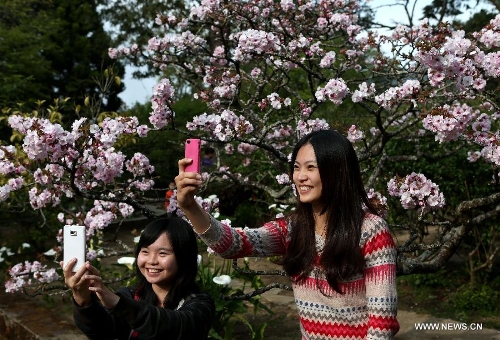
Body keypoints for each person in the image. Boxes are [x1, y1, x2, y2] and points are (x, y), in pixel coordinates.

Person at [175, 129, 399, 340]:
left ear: (338, 171)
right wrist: (190, 207)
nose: (300, 176)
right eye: (296, 167)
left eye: (311, 167)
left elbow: (382, 323)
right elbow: (233, 245)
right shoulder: (292, 229)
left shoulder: (371, 231)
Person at [61, 217, 215, 340]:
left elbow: (177, 327)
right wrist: (83, 298)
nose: (151, 261)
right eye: (145, 252)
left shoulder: (200, 304)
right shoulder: (131, 295)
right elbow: (100, 331)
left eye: (162, 253)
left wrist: (117, 303)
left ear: (184, 258)